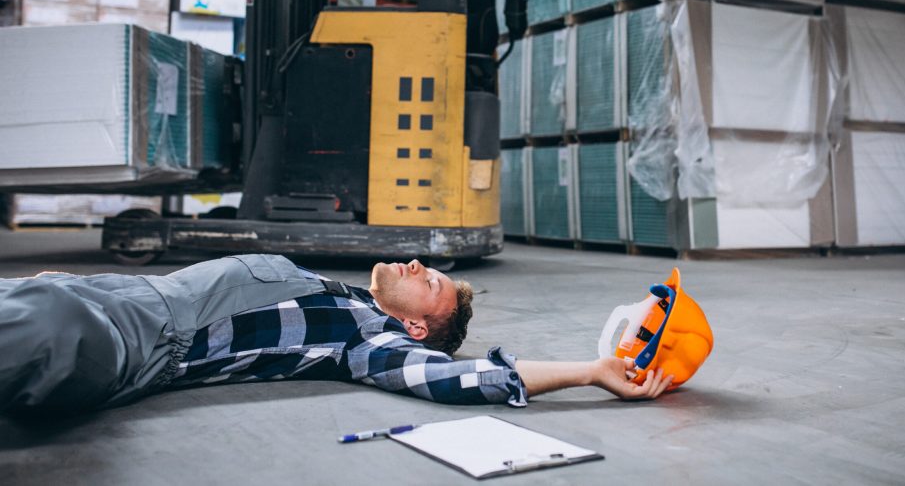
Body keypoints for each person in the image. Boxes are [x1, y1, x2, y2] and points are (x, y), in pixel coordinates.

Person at [0, 254, 672, 415]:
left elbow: (452, 376)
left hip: (115, 336)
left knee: (43, 325)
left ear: (413, 325)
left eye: (429, 281)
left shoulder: (363, 335)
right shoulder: (333, 291)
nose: (415, 265)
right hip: (88, 294)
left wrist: (590, 369)